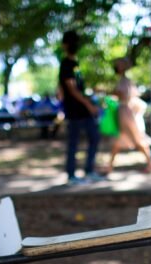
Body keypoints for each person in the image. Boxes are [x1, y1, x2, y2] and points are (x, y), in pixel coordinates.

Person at [59, 30, 101, 185]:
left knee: (94, 137)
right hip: (74, 110)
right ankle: (71, 175)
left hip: (82, 110)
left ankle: (89, 171)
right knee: (74, 142)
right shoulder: (66, 64)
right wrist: (88, 104)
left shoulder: (75, 64)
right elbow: (71, 89)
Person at [105, 57, 151, 175]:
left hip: (125, 113)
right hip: (124, 112)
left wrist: (112, 92)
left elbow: (124, 96)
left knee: (137, 138)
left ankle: (150, 163)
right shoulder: (124, 80)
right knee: (119, 140)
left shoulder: (125, 81)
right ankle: (109, 167)